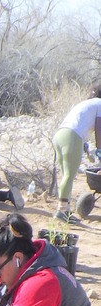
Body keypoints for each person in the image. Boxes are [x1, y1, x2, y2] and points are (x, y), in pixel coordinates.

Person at [52, 85, 101, 223]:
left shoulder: (86, 104)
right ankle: (61, 211)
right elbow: (99, 128)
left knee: (65, 175)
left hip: (60, 135)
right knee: (69, 175)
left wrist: (85, 145)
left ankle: (65, 210)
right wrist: (100, 150)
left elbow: (79, 124)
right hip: (72, 137)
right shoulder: (100, 103)